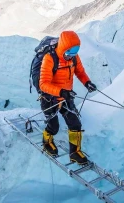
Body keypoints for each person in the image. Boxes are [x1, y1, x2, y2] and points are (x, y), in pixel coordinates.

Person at [39, 30, 97, 165]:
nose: (71, 56)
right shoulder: (49, 58)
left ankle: (75, 153)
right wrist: (61, 92)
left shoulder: (73, 58)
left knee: (75, 123)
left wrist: (87, 82)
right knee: (53, 127)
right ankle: (46, 141)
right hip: (50, 98)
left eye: (75, 52)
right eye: (69, 52)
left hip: (66, 96)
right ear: (63, 48)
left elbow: (80, 72)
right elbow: (43, 84)